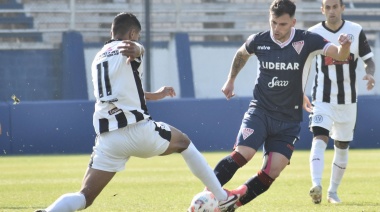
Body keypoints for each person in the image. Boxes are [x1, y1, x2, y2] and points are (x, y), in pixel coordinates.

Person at [35, 12, 244, 212]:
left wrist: (156, 94)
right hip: (137, 129)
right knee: (185, 144)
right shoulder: (130, 47)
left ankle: (49, 211)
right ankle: (223, 198)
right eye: (138, 36)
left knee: (84, 197)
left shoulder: (98, 58)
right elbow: (136, 50)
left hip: (109, 140)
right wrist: (138, 49)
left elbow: (124, 91)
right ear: (133, 34)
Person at [211, 0, 353, 211]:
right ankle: (207, 194)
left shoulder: (308, 40)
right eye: (273, 23)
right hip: (261, 110)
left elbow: (341, 55)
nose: (276, 29)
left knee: (273, 171)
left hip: (289, 119)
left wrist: (345, 46)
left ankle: (230, 205)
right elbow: (241, 54)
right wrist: (230, 80)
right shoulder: (259, 40)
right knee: (243, 154)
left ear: (293, 22)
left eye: (283, 24)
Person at [307, 0, 376, 204]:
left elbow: (368, 60)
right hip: (322, 98)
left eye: (335, 6)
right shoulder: (313, 33)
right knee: (319, 137)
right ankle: (316, 185)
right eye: (327, 7)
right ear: (322, 9)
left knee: (342, 145)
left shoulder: (356, 30)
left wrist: (370, 74)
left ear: (342, 8)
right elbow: (305, 64)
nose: (331, 11)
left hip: (347, 100)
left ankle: (332, 192)